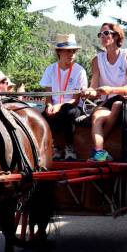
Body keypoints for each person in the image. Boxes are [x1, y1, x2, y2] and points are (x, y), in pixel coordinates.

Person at [82, 23, 127, 162]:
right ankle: (100, 154)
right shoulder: (96, 60)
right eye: (100, 34)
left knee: (118, 104)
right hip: (107, 102)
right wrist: (88, 91)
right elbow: (94, 88)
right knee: (96, 117)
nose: (103, 36)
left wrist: (111, 89)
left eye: (106, 33)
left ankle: (95, 149)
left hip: (125, 101)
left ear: (116, 35)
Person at [39, 33, 89, 161]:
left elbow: (76, 99)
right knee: (43, 115)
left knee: (68, 111)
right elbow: (48, 95)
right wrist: (50, 105)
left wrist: (58, 106)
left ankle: (70, 148)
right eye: (67, 51)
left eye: (73, 51)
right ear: (59, 52)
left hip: (72, 107)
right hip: (55, 106)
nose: (71, 54)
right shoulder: (50, 70)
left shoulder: (80, 71)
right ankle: (53, 147)